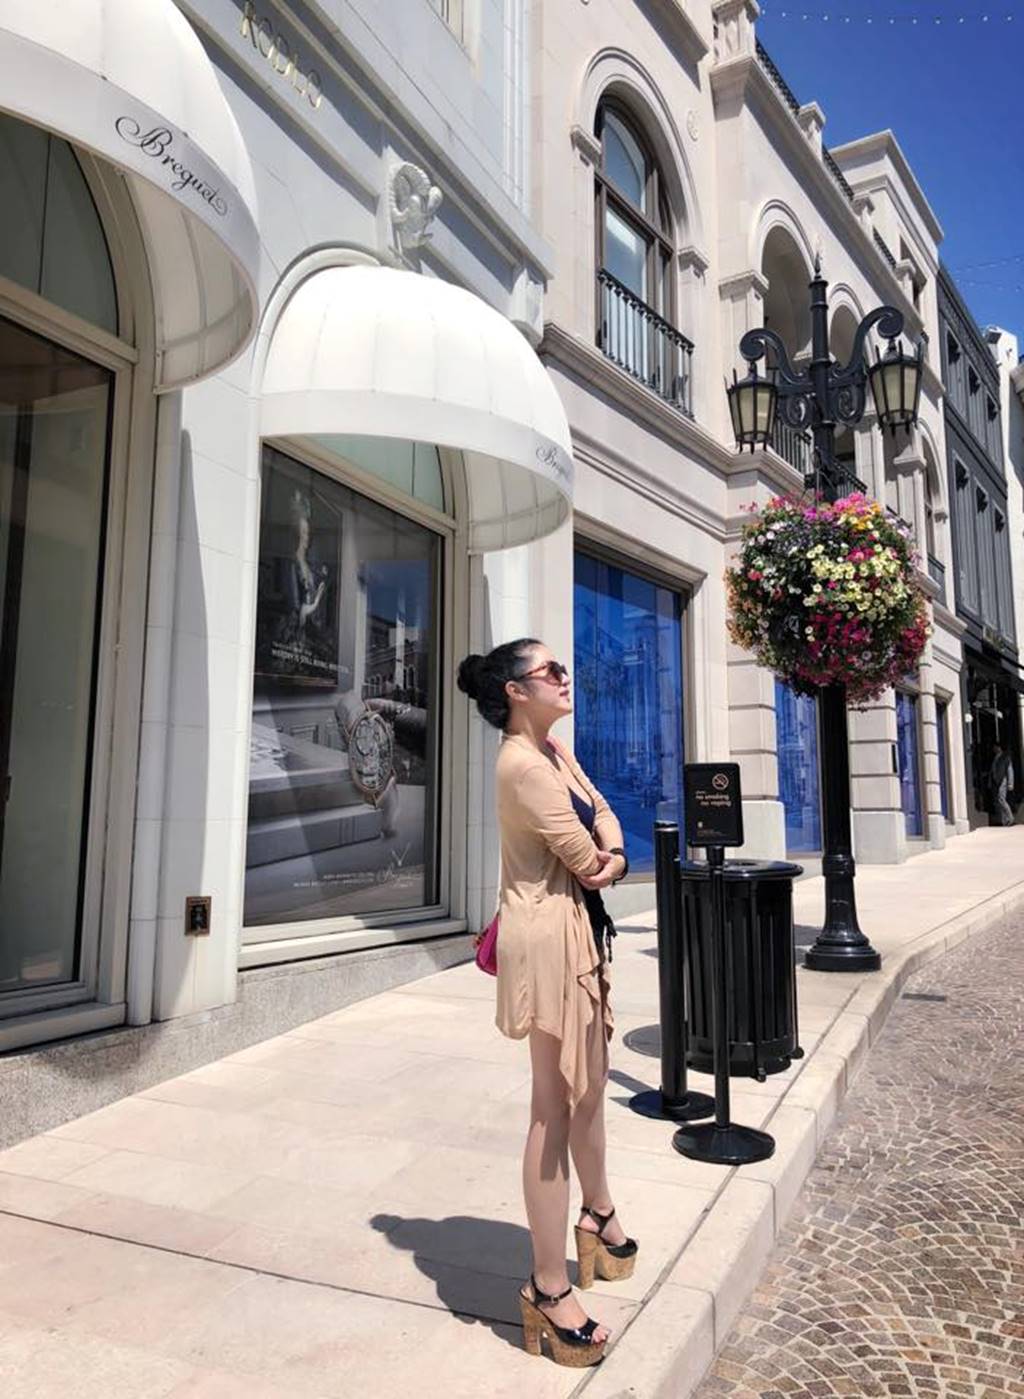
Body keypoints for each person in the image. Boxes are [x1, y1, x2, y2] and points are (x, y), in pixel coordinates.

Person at [457, 639, 637, 1368]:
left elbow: (606, 815)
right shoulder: (523, 765)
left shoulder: (554, 750)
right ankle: (548, 1286)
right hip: (548, 941)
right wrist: (611, 859)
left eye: (563, 668)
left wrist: (610, 854)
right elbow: (590, 861)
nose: (565, 678)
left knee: (588, 1085)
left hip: (576, 933)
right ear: (514, 691)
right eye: (549, 672)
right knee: (552, 1103)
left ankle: (598, 1213)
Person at [989, 742, 1015, 827]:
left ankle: (1010, 818)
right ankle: (1004, 820)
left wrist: (1010, 783)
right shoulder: (995, 758)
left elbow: (1009, 770)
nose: (994, 749)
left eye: (995, 747)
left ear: (999, 748)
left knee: (1001, 799)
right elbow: (992, 771)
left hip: (1003, 781)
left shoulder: (1005, 758)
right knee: (998, 801)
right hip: (996, 782)